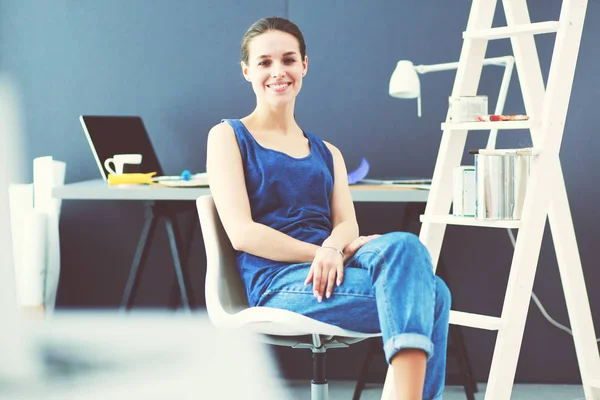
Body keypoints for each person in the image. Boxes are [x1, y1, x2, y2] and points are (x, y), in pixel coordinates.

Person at [206, 16, 451, 400]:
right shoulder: (228, 137)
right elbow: (242, 233)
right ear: (246, 71)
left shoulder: (327, 151)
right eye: (265, 63)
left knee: (405, 245)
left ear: (304, 65)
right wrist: (323, 252)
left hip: (333, 264)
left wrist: (335, 248)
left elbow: (346, 223)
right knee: (434, 295)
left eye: (288, 60)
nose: (278, 72)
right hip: (280, 280)